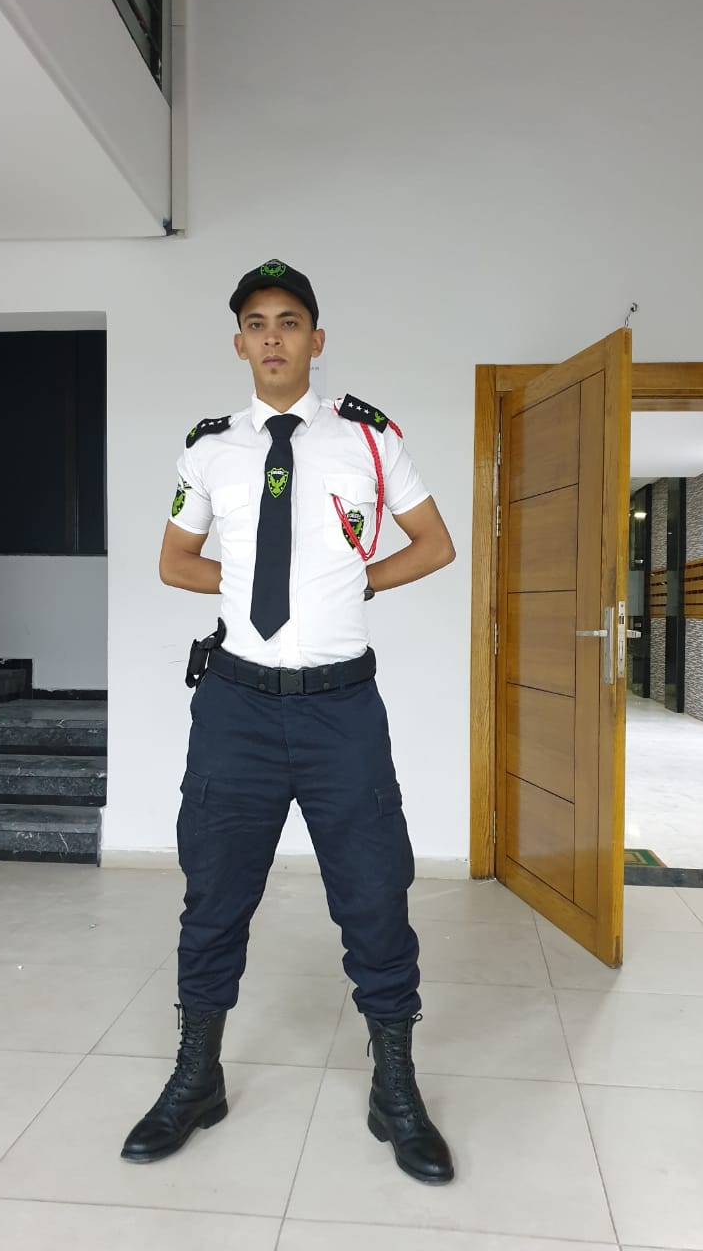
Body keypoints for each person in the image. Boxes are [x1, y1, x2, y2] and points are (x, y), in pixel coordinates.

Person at [121, 259, 456, 1184]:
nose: (273, 337)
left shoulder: (369, 439)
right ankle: (197, 1077)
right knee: (214, 894)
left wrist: (354, 584)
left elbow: (435, 544)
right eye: (257, 323)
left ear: (317, 338)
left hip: (341, 709)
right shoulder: (210, 449)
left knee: (376, 894)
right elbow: (176, 561)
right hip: (235, 706)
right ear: (239, 343)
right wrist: (243, 587)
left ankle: (396, 1088)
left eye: (290, 321)